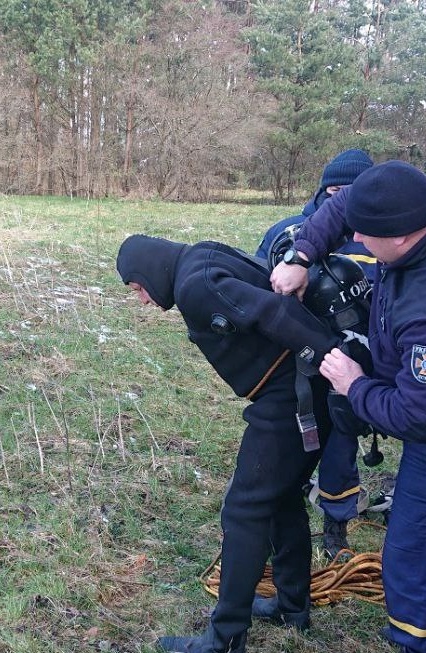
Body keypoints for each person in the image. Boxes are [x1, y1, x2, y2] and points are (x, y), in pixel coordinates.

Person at [269, 160, 426, 653]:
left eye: (366, 234)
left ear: (402, 237)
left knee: (412, 557)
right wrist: (302, 254)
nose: (356, 237)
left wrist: (355, 384)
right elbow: (348, 205)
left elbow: (420, 416)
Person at [117, 234, 348, 653]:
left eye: (138, 288)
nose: (143, 300)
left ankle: (224, 639)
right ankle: (292, 607)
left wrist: (334, 359)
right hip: (304, 390)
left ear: (150, 271)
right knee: (280, 497)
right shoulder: (200, 256)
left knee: (244, 509)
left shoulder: (195, 286)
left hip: (291, 395)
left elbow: (275, 311)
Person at [257, 148, 379, 560]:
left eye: (354, 192)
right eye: (337, 192)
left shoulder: (377, 236)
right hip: (297, 365)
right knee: (287, 445)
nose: (343, 200)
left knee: (342, 445)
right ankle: (275, 521)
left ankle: (335, 526)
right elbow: (259, 289)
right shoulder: (287, 233)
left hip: (353, 361)